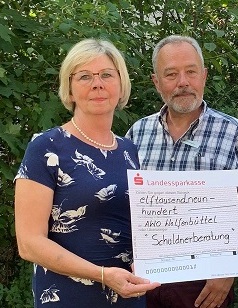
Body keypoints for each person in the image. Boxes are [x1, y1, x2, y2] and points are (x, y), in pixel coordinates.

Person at [14, 39, 160, 307]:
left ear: (121, 84)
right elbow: (29, 243)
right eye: (84, 76)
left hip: (129, 295)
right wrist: (102, 275)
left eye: (106, 74)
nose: (97, 84)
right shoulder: (46, 148)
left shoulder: (129, 151)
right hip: (68, 297)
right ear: (69, 90)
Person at [126, 35, 238, 308]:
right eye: (171, 74)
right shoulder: (137, 134)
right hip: (143, 280)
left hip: (204, 285)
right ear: (156, 82)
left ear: (204, 76)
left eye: (191, 71)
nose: (182, 82)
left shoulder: (232, 131)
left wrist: (228, 272)